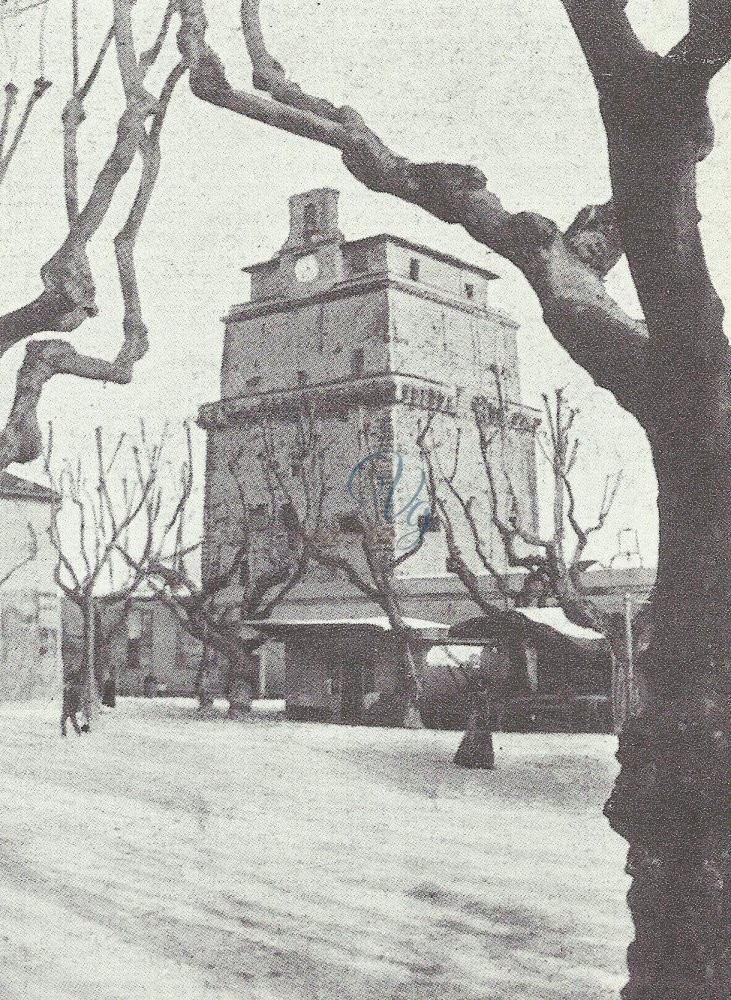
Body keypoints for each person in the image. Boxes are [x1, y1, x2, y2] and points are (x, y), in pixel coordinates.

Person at [61, 672, 85, 737]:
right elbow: (65, 700)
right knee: (65, 721)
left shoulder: (73, 691)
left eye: (68, 683)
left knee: (71, 721)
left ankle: (78, 732)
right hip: (66, 708)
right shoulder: (66, 690)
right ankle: (65, 733)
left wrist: (75, 708)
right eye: (66, 683)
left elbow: (76, 700)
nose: (67, 684)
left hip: (71, 708)